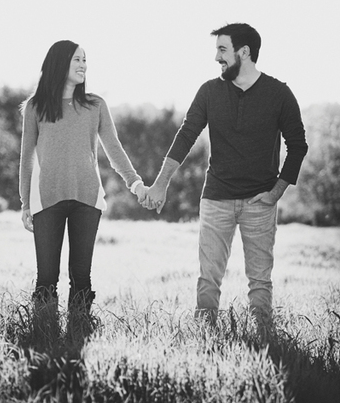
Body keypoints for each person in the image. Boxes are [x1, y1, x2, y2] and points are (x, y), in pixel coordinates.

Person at [142, 23, 308, 326]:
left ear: (243, 52)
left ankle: (265, 339)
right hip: (217, 197)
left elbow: (298, 145)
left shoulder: (279, 94)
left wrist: (275, 193)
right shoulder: (210, 91)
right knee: (208, 278)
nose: (216, 57)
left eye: (222, 50)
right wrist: (160, 184)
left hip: (260, 202)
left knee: (260, 281)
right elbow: (186, 135)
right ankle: (205, 336)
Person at [19, 40, 148, 323]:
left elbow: (114, 149)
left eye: (85, 60)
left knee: (81, 275)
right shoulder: (35, 107)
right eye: (77, 59)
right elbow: (26, 157)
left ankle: (78, 331)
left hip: (86, 199)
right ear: (59, 62)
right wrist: (25, 203)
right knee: (47, 276)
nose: (82, 65)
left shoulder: (95, 105)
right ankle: (45, 331)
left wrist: (136, 184)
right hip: (46, 199)